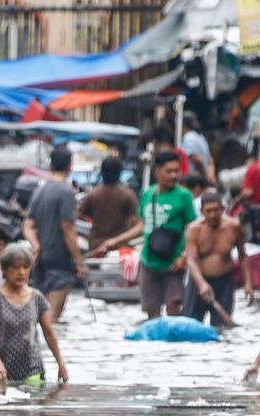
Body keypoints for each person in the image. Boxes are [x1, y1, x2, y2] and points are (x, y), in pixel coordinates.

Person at [99, 151, 198, 319]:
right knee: (152, 313)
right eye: (169, 171)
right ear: (157, 171)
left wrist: (184, 256)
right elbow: (143, 226)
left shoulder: (184, 196)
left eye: (177, 171)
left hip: (174, 262)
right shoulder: (147, 194)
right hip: (148, 261)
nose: (174, 175)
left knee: (173, 307)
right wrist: (116, 241)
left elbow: (193, 229)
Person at [0, 244, 69, 384]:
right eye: (15, 268)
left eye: (25, 267)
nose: (21, 272)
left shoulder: (37, 298)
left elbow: (49, 333)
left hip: (32, 368)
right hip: (2, 368)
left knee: (33, 402)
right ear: (4, 269)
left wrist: (61, 363)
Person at [22, 147, 85, 323]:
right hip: (60, 259)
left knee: (41, 314)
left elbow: (28, 225)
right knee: (53, 317)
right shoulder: (66, 192)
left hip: (41, 260)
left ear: (50, 164)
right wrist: (79, 261)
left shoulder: (40, 191)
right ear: (69, 165)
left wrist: (36, 245)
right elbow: (68, 228)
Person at [183, 190, 254, 326]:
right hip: (199, 281)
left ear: (223, 208)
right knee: (190, 324)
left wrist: (248, 283)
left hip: (225, 282)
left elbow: (243, 256)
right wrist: (201, 284)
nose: (213, 215)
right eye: (208, 211)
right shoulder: (194, 230)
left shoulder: (233, 227)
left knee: (221, 327)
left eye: (216, 210)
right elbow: (191, 260)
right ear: (202, 211)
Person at [85, 157, 139, 255]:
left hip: (96, 247)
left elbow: (78, 215)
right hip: (120, 247)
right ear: (119, 173)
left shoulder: (93, 194)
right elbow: (137, 223)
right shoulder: (128, 195)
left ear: (102, 172)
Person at [180, 113, 216, 185]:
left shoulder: (189, 138)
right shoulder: (200, 137)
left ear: (183, 125)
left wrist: (205, 177)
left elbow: (197, 160)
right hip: (203, 178)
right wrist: (211, 176)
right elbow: (210, 160)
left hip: (194, 180)